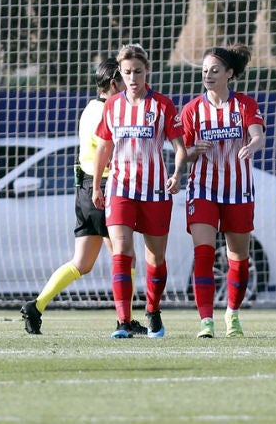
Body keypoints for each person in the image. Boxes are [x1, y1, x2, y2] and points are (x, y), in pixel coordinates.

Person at [20, 58, 147, 335]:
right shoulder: (108, 111)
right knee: (126, 256)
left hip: (85, 189)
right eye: (125, 78)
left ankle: (36, 306)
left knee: (82, 263)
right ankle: (124, 320)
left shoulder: (90, 108)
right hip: (104, 189)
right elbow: (109, 151)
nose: (131, 84)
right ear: (114, 83)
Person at [91, 43, 187, 339]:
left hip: (156, 192)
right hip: (120, 189)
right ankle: (122, 321)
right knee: (121, 252)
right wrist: (97, 185)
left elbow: (180, 148)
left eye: (138, 72)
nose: (133, 78)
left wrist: (176, 173)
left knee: (155, 259)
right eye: (127, 72)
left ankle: (153, 310)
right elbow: (104, 147)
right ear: (120, 73)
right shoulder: (112, 106)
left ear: (148, 72)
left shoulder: (163, 105)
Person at [181, 44, 266, 339]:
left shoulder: (244, 105)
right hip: (203, 189)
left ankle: (232, 313)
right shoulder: (193, 110)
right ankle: (206, 320)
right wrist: (193, 150)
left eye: (215, 70)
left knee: (238, 259)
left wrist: (253, 144)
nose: (208, 75)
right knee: (203, 253)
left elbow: (257, 135)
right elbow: (183, 153)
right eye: (205, 70)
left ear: (229, 74)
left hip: (238, 191)